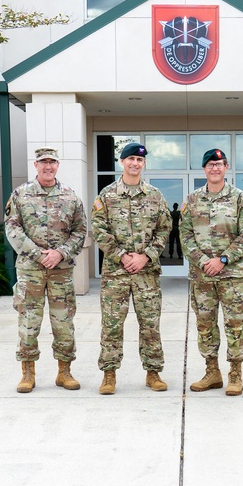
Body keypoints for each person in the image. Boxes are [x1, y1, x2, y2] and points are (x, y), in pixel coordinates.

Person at [91, 142, 172, 395]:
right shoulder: (107, 195)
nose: (135, 164)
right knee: (112, 324)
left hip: (146, 273)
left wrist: (146, 256)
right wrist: (122, 256)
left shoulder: (155, 195)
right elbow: (99, 229)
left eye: (139, 160)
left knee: (150, 324)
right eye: (130, 160)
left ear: (143, 164)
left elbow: (164, 229)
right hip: (116, 273)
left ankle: (153, 373)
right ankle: (109, 374)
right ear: (122, 162)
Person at [4, 147, 87, 393]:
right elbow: (12, 229)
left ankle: (64, 372)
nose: (48, 166)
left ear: (58, 165)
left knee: (63, 322)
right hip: (31, 270)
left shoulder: (70, 196)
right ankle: (28, 373)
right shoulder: (20, 194)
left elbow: (80, 231)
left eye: (52, 162)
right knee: (29, 321)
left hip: (61, 271)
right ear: (35, 165)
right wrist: (39, 254)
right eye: (43, 162)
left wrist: (60, 253)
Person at [180, 149, 243, 396]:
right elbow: (185, 235)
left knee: (235, 324)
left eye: (219, 164)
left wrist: (223, 259)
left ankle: (235, 374)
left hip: (232, 275)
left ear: (226, 167)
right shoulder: (192, 200)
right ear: (204, 169)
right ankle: (212, 372)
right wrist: (204, 261)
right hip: (202, 276)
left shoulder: (239, 198)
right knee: (205, 324)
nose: (215, 168)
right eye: (210, 164)